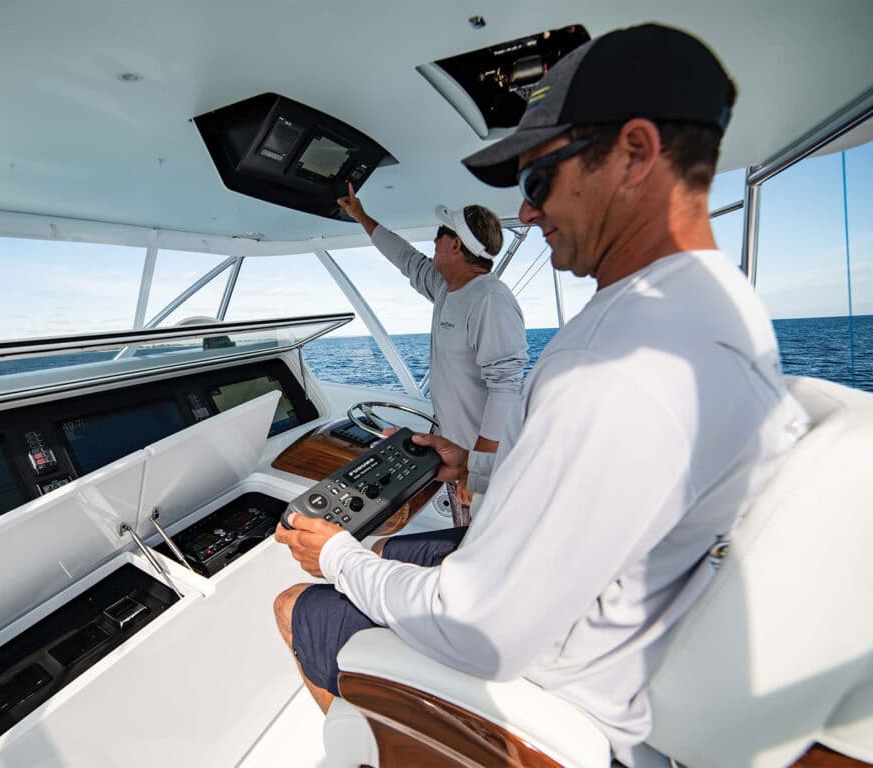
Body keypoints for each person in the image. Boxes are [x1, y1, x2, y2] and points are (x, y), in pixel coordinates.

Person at [274, 23, 810, 765]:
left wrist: (336, 557)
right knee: (391, 548)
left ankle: (379, 744)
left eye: (536, 181)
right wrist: (466, 463)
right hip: (609, 631)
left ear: (634, 154)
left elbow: (479, 629)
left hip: (562, 682)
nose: (526, 214)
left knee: (298, 603)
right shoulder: (707, 312)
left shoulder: (618, 367)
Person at [336, 186, 528, 523]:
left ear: (455, 244)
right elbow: (405, 258)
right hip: (458, 457)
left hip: (489, 465)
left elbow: (506, 388)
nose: (433, 242)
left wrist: (479, 471)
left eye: (440, 235)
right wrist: (361, 217)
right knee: (462, 535)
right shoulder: (445, 287)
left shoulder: (490, 299)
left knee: (484, 551)